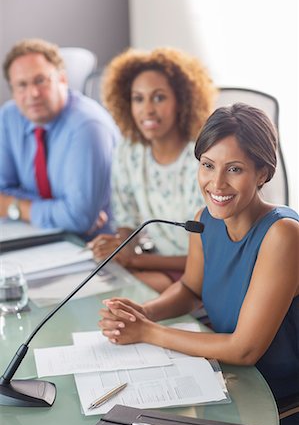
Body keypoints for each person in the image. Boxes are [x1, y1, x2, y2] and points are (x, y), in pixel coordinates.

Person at [98, 103, 299, 425]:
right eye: (208, 165)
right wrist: (145, 312)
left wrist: (148, 332)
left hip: (279, 398)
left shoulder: (283, 235)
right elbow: (191, 289)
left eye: (234, 169)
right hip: (225, 381)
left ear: (262, 173)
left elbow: (244, 349)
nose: (216, 183)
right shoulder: (206, 219)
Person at [89, 47, 216, 291]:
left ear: (182, 100)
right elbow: (127, 218)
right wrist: (119, 248)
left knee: (119, 295)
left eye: (159, 97)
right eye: (138, 98)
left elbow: (211, 255)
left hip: (204, 272)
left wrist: (135, 260)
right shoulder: (129, 150)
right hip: (157, 263)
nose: (147, 109)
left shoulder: (203, 159)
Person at [0, 38, 119, 237]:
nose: (33, 93)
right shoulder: (9, 117)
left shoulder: (88, 126)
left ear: (62, 79)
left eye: (40, 80)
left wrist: (15, 207)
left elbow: (78, 219)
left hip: (94, 245)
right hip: (34, 233)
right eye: (21, 85)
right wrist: (59, 208)